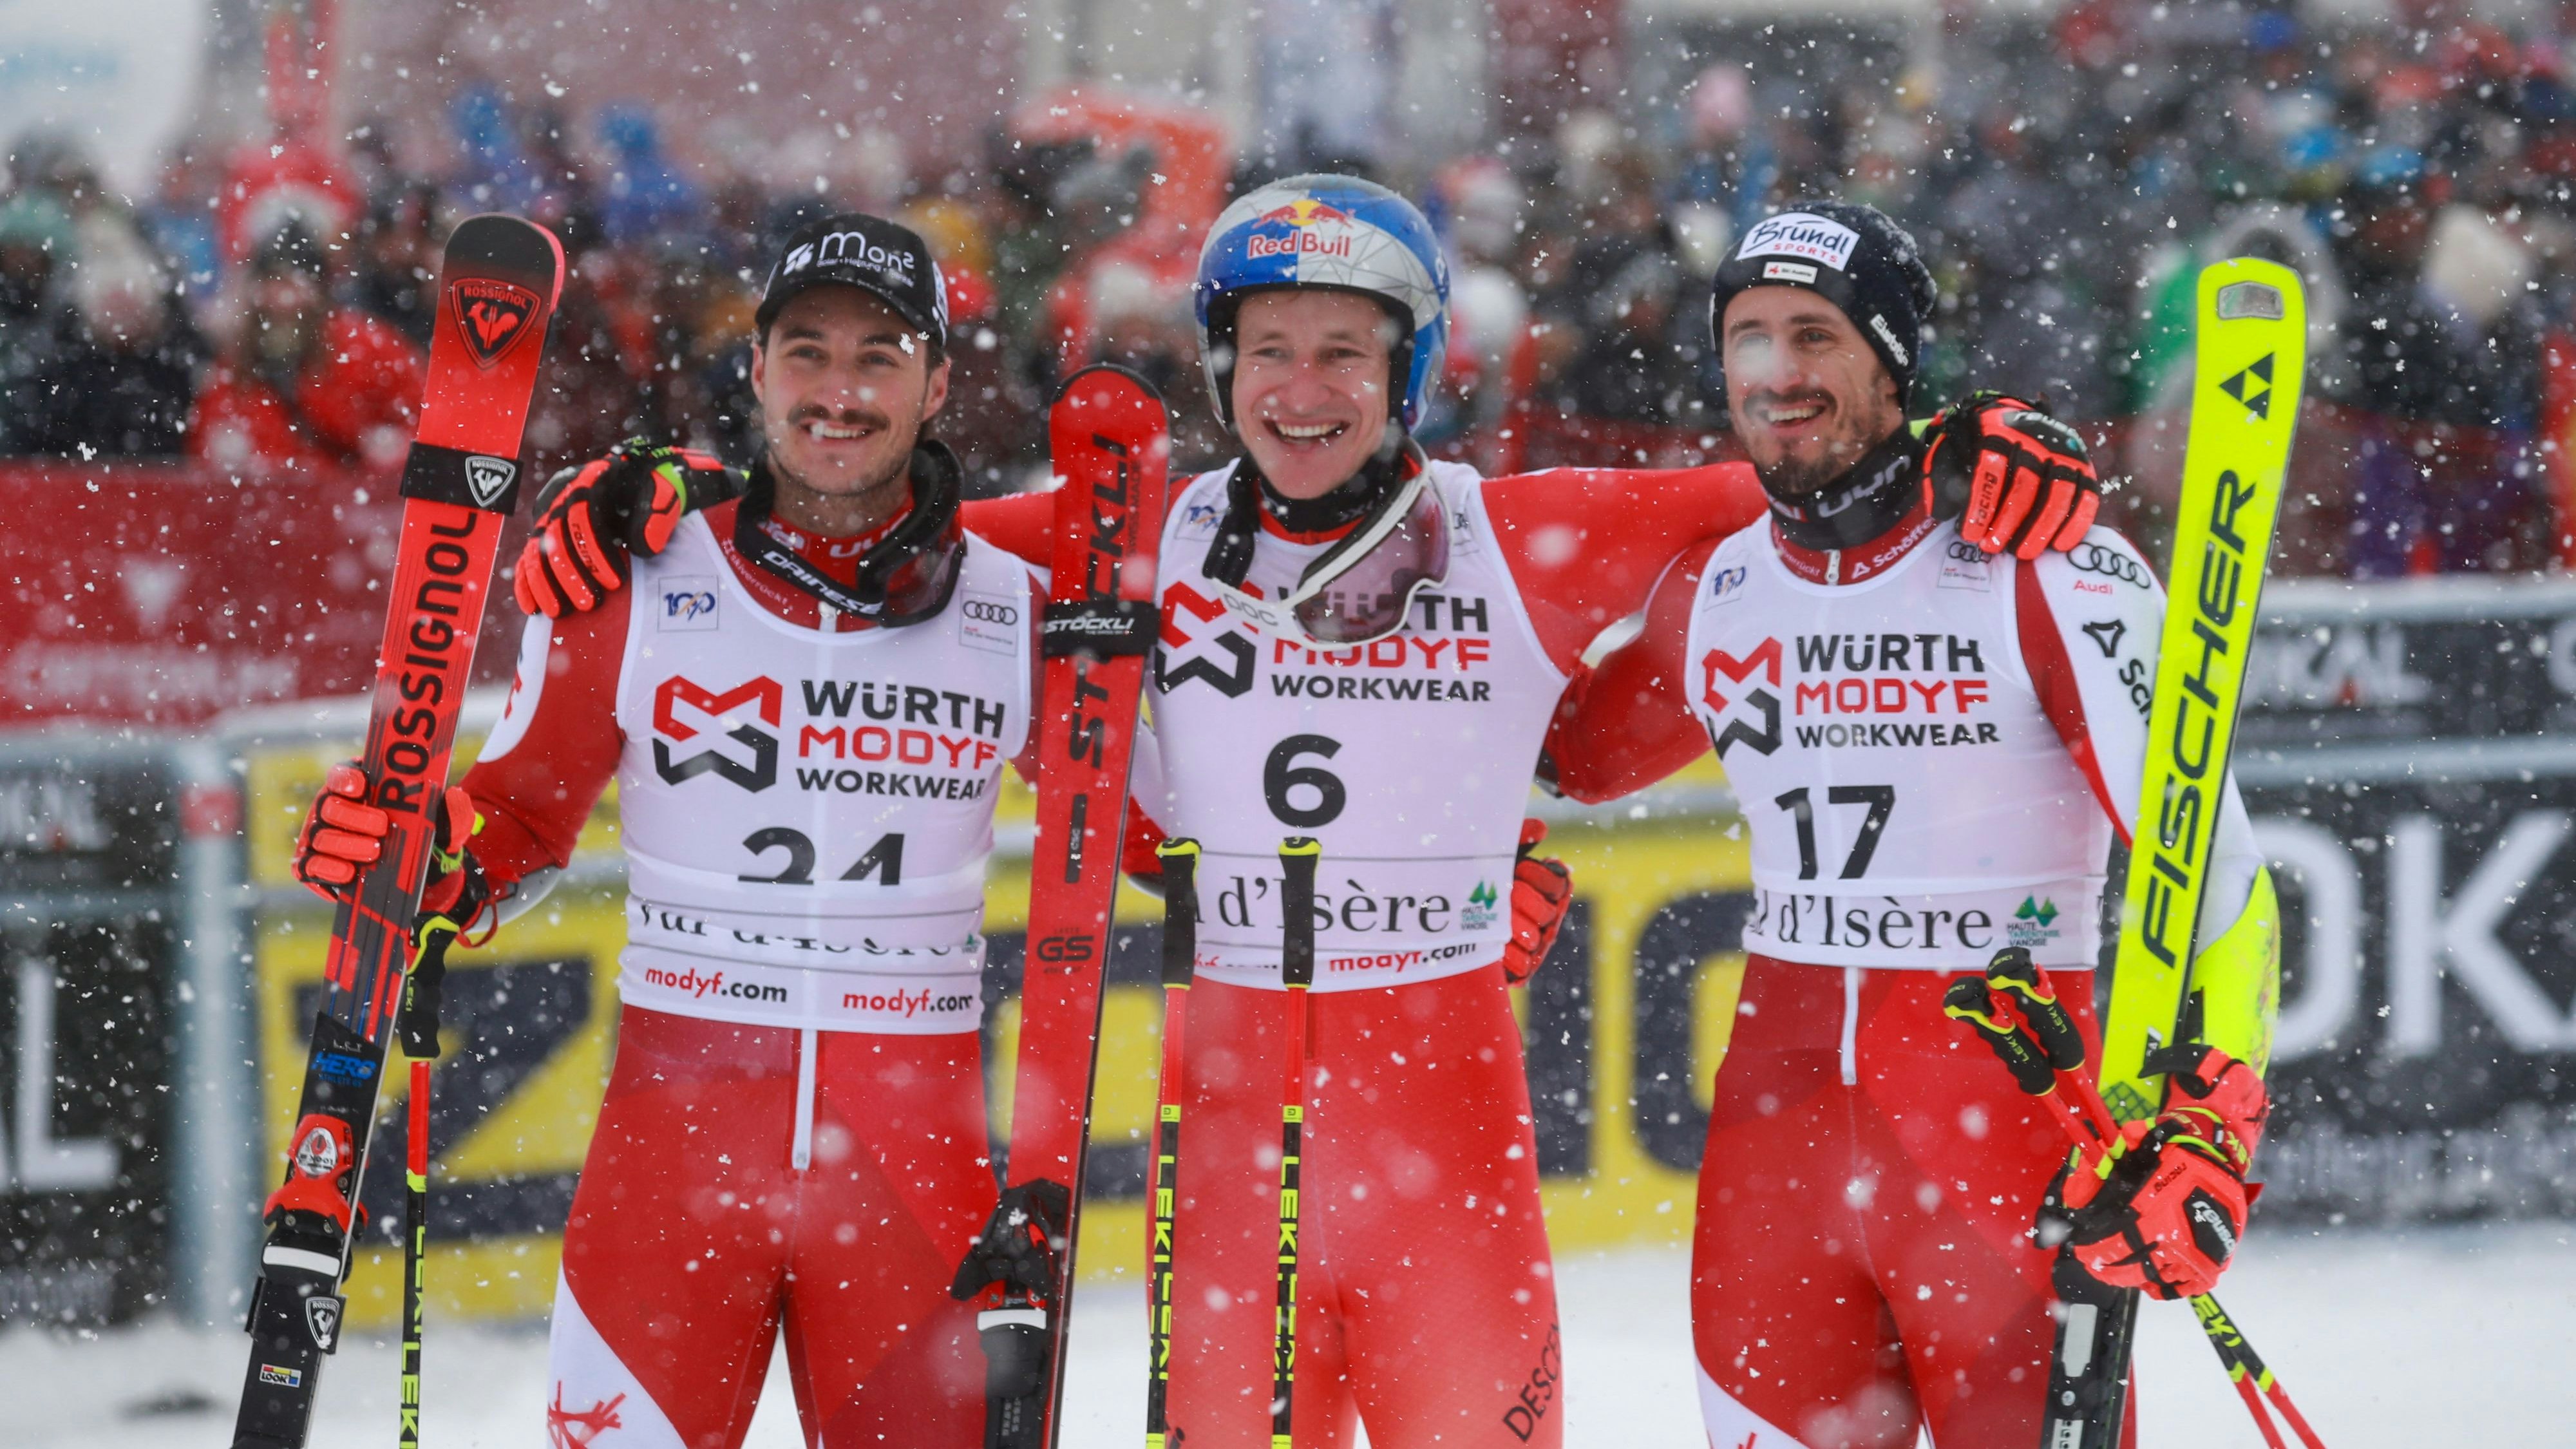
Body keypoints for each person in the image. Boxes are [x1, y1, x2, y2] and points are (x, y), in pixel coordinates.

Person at [517, 180, 2104, 1449]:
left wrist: (1971, 436)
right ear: (1218, 367)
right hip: (1224, 1158)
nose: (1301, 390)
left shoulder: (1521, 537)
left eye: (1346, 351)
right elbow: (833, 521)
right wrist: (649, 492)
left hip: (1450, 1174)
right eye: (1267, 348)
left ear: (1410, 370)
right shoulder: (1119, 536)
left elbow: (1791, 466)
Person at [1544, 201, 2282, 1449]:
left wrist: (2211, 1119)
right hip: (1770, 1167)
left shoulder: (2040, 566)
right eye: (1747, 339)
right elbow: (1564, 752)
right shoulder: (1720, 584)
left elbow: (2217, 876)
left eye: (1814, 337)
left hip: (2000, 1130)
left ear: (1890, 364)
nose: (1775, 373)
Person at [294, 213, 1023, 1449]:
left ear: (938, 382)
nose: (838, 392)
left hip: (914, 1193)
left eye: (880, 357)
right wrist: (416, 856)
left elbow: (1154, 831)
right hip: (672, 1185)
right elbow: (513, 822)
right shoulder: (632, 575)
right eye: (806, 352)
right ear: (755, 369)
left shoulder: (1013, 602)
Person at [189, 222, 424, 474]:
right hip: (274, 507)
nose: (282, 301)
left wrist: (398, 451)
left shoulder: (368, 348)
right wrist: (220, 455)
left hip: (354, 506)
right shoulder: (235, 366)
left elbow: (429, 418)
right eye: (272, 285)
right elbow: (205, 438)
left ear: (320, 293)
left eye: (293, 286)